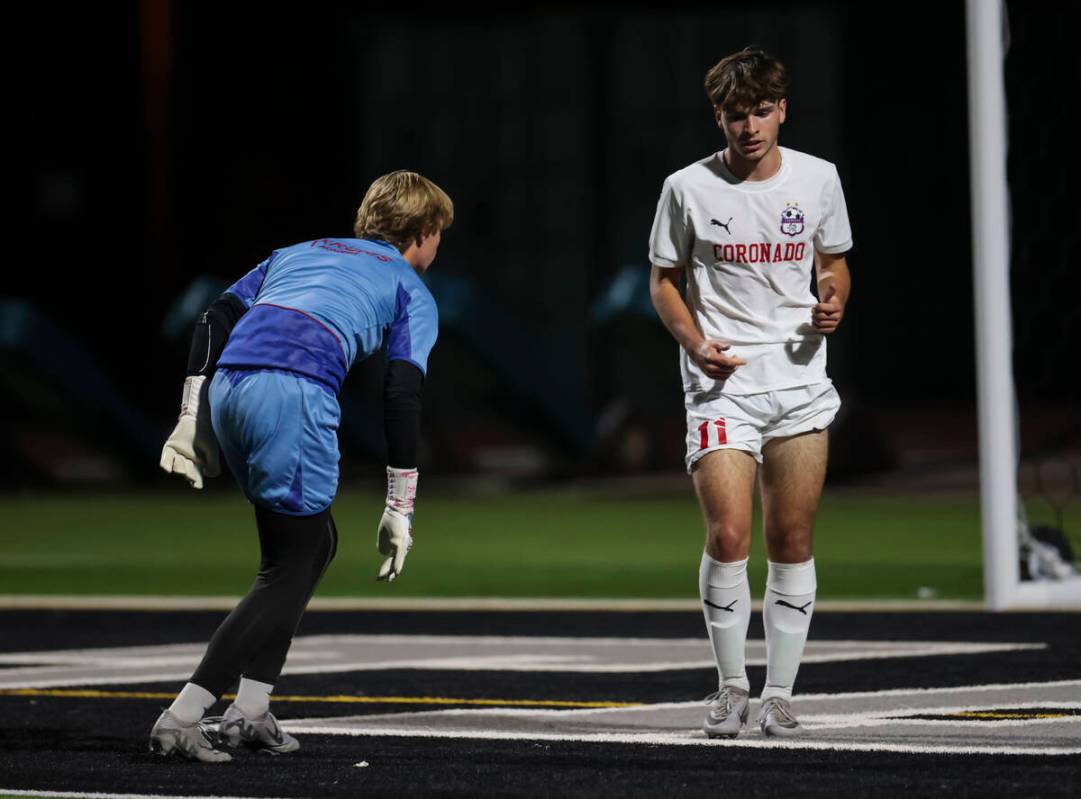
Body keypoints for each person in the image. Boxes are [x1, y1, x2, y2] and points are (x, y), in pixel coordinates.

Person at [150, 170, 453, 762]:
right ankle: (185, 715)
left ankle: (253, 709)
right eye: (440, 235)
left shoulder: (296, 253)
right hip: (291, 392)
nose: (439, 248)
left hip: (230, 389)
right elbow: (401, 393)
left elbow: (215, 316)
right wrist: (400, 505)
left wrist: (192, 415)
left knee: (312, 547)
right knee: (286, 567)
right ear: (423, 231)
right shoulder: (410, 289)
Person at [648, 47, 852, 738]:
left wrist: (832, 299)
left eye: (761, 111)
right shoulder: (686, 187)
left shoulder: (817, 179)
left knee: (791, 535)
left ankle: (780, 692)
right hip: (720, 386)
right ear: (719, 118)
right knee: (729, 532)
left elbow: (833, 264)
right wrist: (695, 343)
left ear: (781, 110)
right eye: (736, 115)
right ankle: (731, 684)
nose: (749, 126)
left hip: (796, 384)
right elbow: (663, 279)